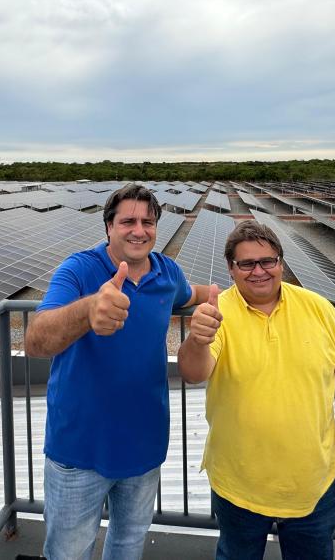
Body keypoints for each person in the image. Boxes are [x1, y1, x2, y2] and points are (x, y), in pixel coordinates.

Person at [24, 183, 211, 560]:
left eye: (148, 221)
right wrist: (90, 309)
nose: (138, 230)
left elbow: (192, 294)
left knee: (127, 546)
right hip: (78, 451)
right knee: (68, 552)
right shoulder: (78, 269)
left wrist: (244, 289)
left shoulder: (166, 273)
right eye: (127, 221)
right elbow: (36, 340)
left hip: (143, 445)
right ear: (109, 226)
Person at [177, 220, 335, 560]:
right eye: (246, 263)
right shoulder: (218, 312)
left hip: (312, 482)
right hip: (238, 484)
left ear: (281, 263)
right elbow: (194, 372)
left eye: (267, 261)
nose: (259, 271)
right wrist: (198, 340)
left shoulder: (319, 308)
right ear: (231, 269)